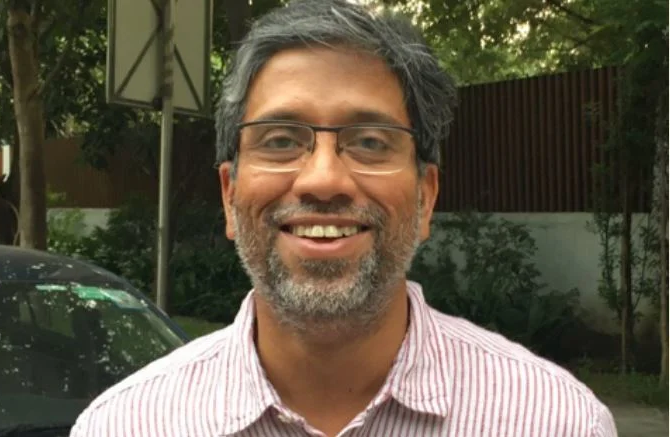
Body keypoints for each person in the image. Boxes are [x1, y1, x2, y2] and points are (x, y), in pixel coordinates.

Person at [70, 0, 618, 435]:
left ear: (426, 198)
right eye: (281, 140)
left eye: (371, 142)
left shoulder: (557, 421)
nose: (324, 179)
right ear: (229, 195)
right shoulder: (124, 425)